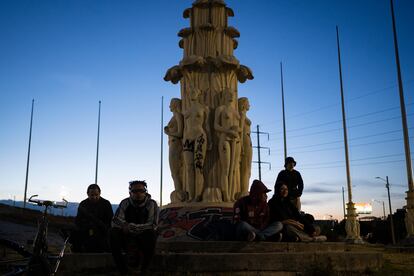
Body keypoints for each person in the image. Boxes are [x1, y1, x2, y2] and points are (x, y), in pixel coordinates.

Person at [110, 180, 159, 275]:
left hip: (143, 235)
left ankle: (144, 270)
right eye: (135, 191)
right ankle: (122, 270)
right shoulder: (125, 202)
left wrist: (130, 226)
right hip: (126, 235)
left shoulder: (152, 204)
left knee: (151, 234)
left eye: (141, 191)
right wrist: (125, 226)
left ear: (145, 192)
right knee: (113, 232)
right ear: (130, 192)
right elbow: (116, 220)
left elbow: (152, 224)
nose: (138, 193)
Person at [72, 184, 113, 253]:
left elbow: (110, 220)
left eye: (96, 195)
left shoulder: (106, 203)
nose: (94, 197)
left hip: (102, 231)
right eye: (92, 195)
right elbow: (78, 220)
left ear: (100, 193)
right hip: (86, 230)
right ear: (87, 194)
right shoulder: (83, 204)